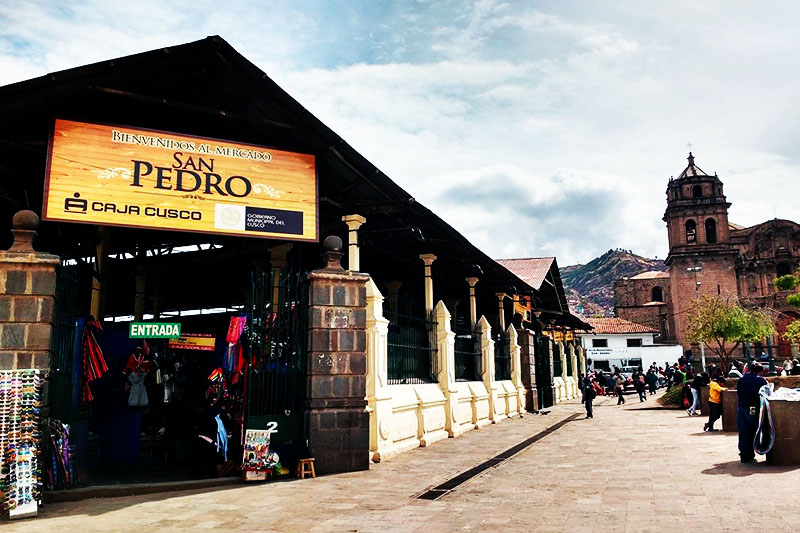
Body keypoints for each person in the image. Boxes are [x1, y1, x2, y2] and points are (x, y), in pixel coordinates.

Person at [737, 363, 768, 463]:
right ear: (761, 371)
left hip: (741, 407)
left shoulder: (741, 379)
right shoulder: (761, 380)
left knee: (743, 431)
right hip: (753, 408)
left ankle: (744, 454)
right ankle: (750, 453)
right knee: (752, 431)